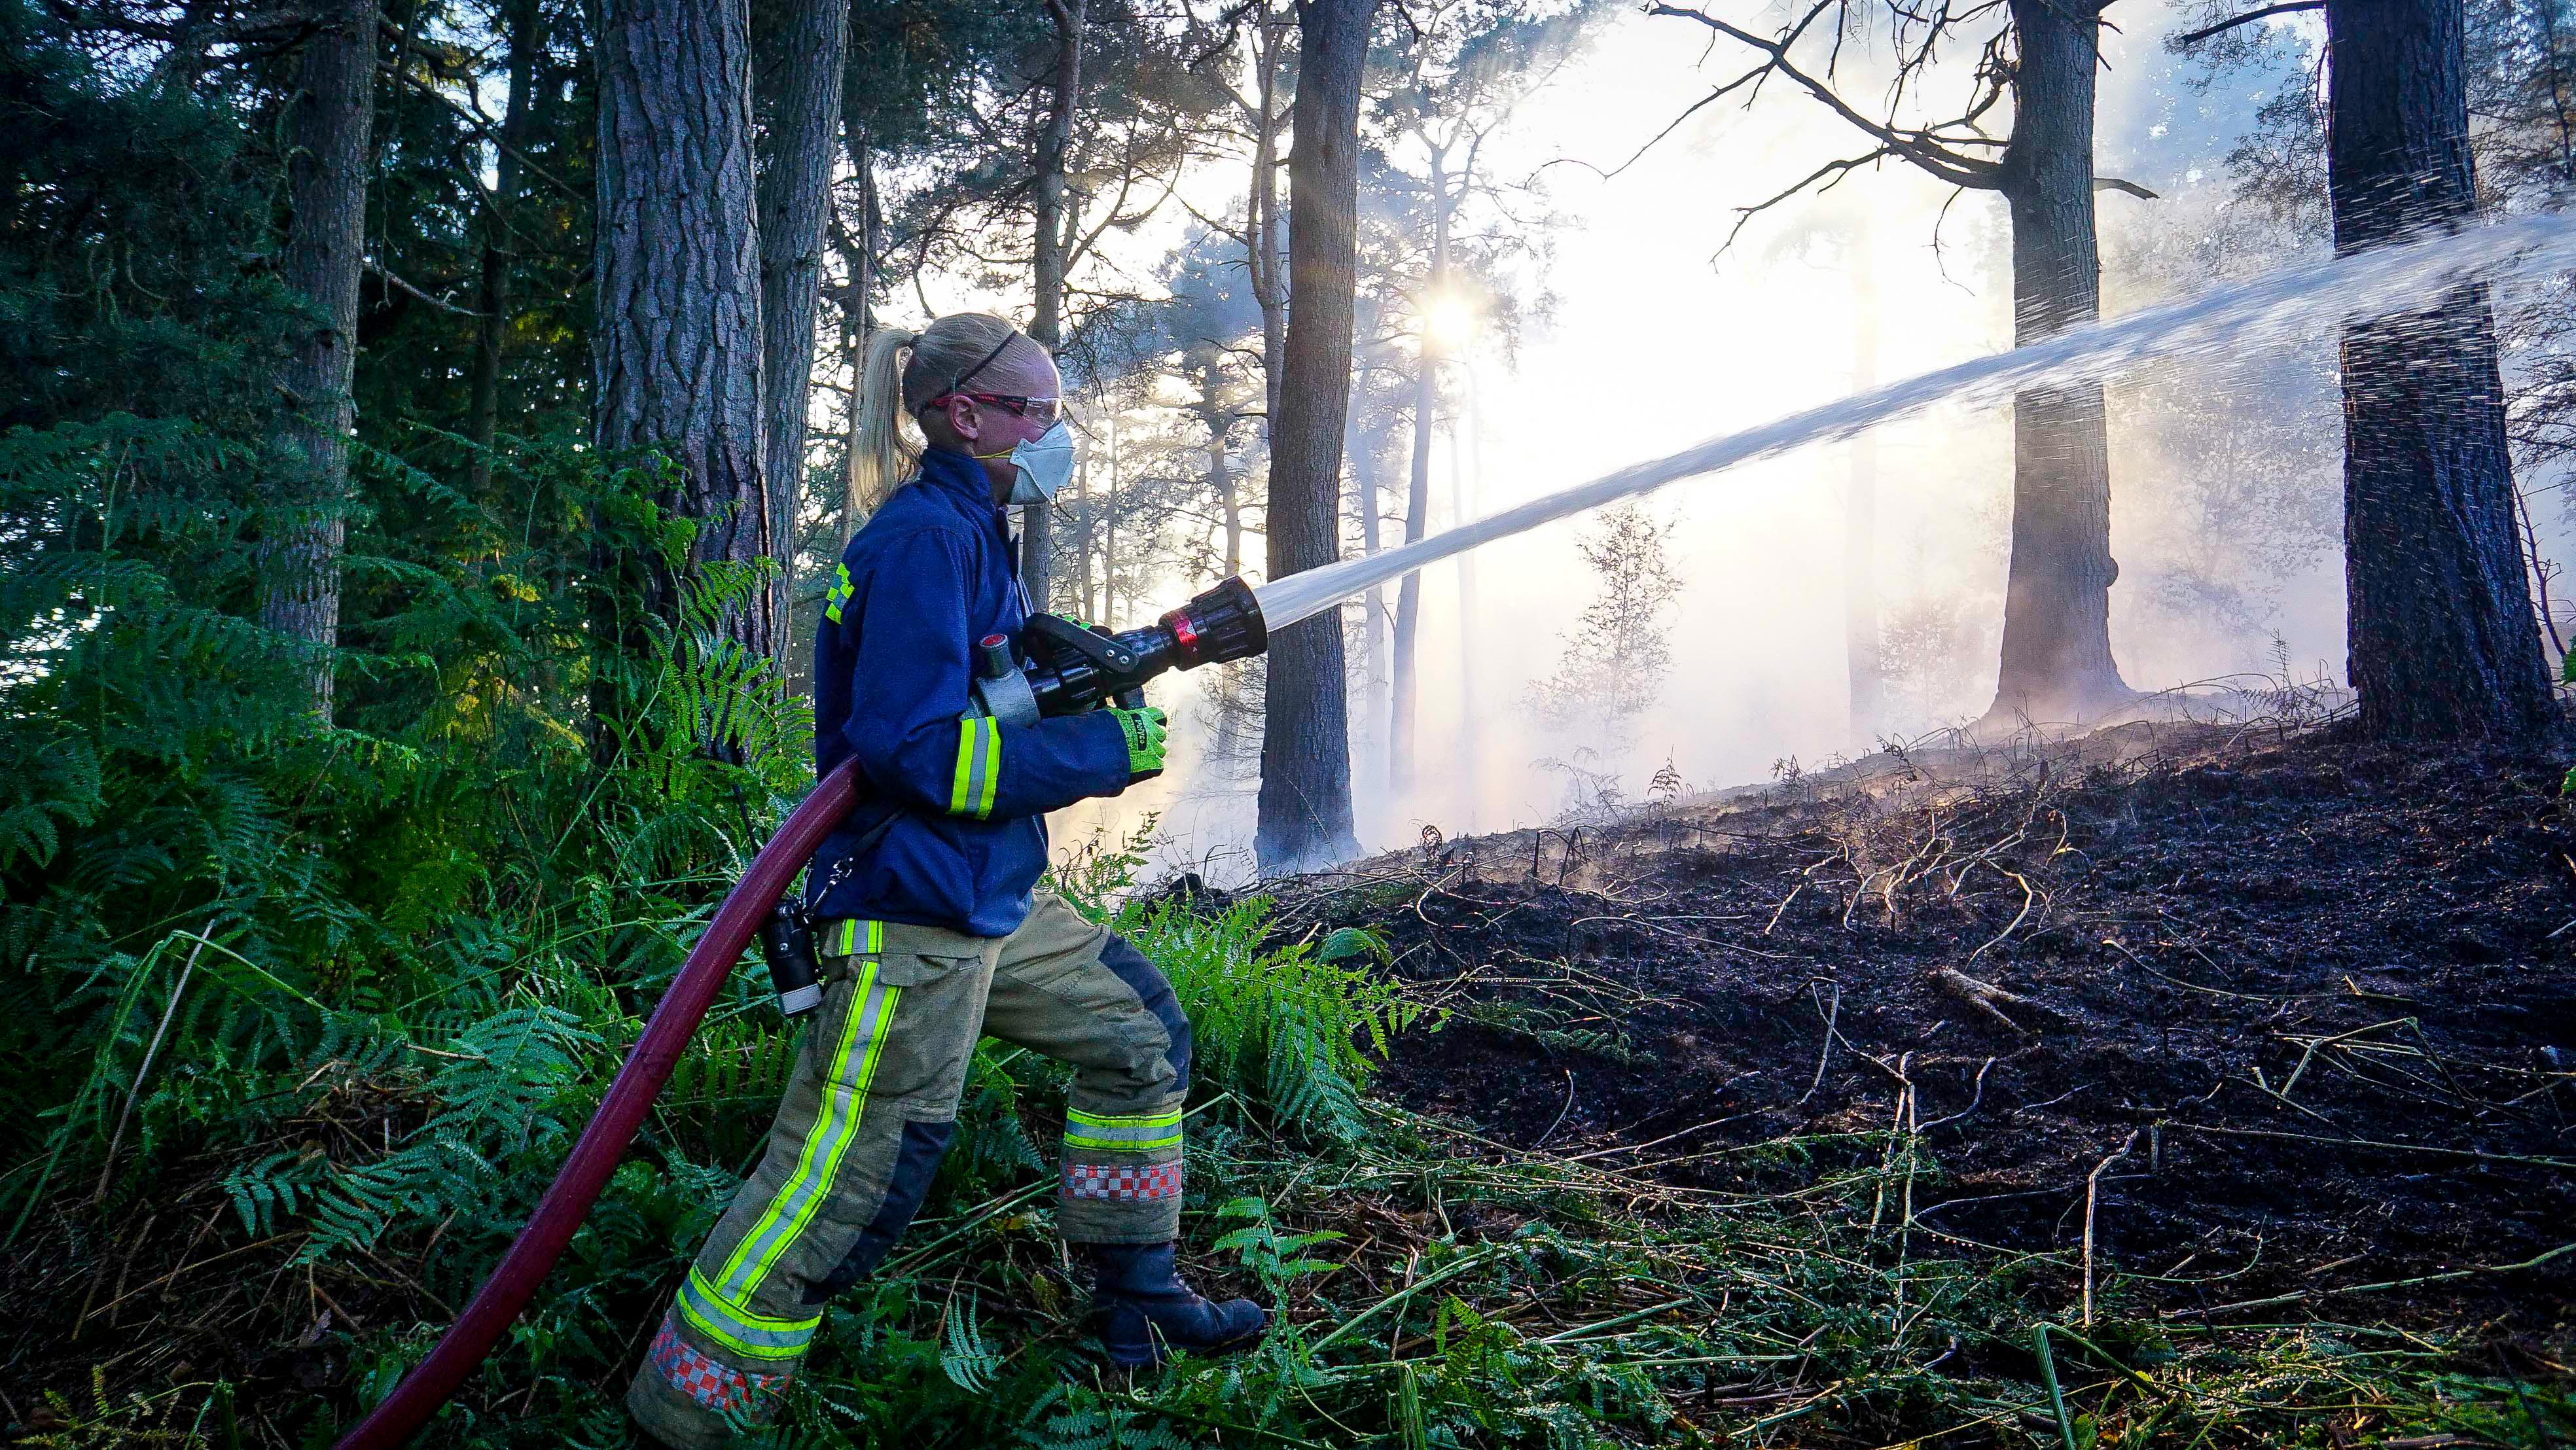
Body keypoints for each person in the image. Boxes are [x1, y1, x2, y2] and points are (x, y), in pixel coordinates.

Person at [628, 313, 1267, 1444]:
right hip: (911, 911)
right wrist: (1096, 755)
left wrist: (1073, 671)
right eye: (1037, 413)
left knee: (1139, 1037)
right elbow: (911, 749)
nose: (1054, 435)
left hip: (990, 893)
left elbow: (979, 698)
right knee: (841, 1181)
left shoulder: (973, 533)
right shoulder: (925, 540)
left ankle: (1138, 1306)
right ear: (965, 417)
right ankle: (688, 1416)